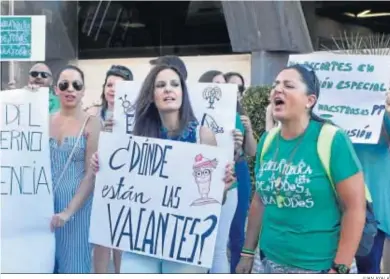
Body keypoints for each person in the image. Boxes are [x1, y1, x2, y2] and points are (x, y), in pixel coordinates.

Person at [90, 64, 237, 273]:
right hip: (140, 245)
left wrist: (221, 188)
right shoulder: (136, 139)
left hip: (184, 248)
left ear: (183, 94)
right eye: (161, 85)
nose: (168, 89)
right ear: (152, 95)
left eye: (174, 84)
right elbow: (120, 191)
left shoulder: (203, 136)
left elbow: (214, 202)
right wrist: (103, 168)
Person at [236, 64, 366, 274]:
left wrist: (339, 268)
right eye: (275, 85)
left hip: (319, 266)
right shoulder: (267, 141)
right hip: (268, 262)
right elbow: (260, 200)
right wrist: (247, 252)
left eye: (288, 85)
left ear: (309, 100)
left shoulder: (333, 140)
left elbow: (355, 208)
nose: (278, 90)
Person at [49, 65, 101, 273]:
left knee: (74, 267)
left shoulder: (93, 123)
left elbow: (92, 173)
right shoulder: (44, 121)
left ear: (83, 91)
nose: (70, 89)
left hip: (77, 211)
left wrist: (69, 211)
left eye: (76, 85)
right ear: (56, 89)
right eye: (64, 84)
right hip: (44, 209)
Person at [198, 70, 246, 273]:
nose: (222, 88)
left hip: (227, 186)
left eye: (224, 84)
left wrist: (238, 145)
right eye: (216, 84)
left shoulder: (234, 117)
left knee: (218, 250)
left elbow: (238, 157)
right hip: (196, 188)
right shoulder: (191, 115)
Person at [87, 65, 133, 274]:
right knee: (102, 240)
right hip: (97, 186)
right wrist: (102, 132)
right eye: (109, 84)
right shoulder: (92, 114)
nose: (113, 89)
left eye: (119, 85)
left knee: (122, 242)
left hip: (127, 187)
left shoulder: (139, 116)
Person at [224, 72, 257, 273]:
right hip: (214, 172)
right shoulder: (204, 112)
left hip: (240, 172)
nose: (236, 93)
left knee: (237, 229)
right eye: (232, 87)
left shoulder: (242, 117)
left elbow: (252, 152)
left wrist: (248, 130)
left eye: (240, 89)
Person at [354, 92, 390, 274]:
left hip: (372, 211)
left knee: (368, 270)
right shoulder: (327, 112)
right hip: (334, 208)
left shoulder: (383, 114)